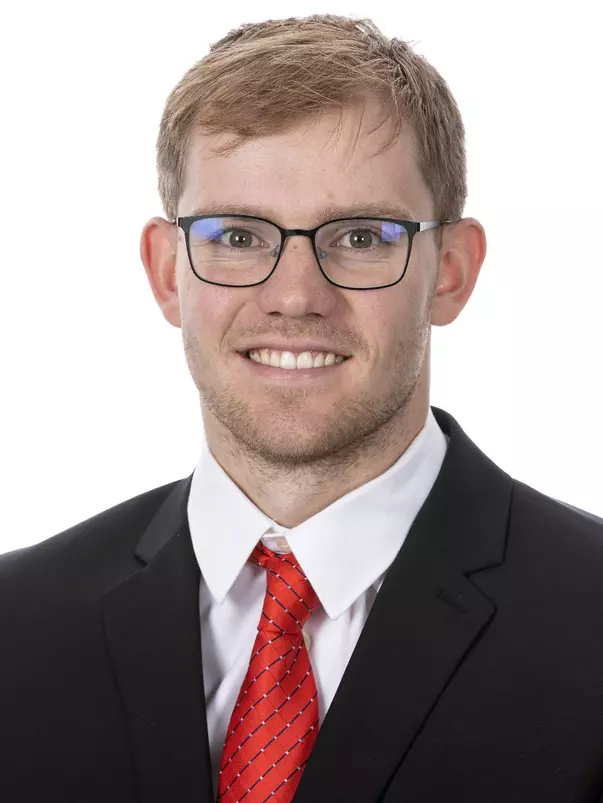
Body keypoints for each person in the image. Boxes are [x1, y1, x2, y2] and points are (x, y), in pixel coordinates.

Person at [1, 12, 603, 803]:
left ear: (450, 271)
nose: (294, 297)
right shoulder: (17, 629)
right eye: (238, 236)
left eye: (359, 237)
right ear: (166, 272)